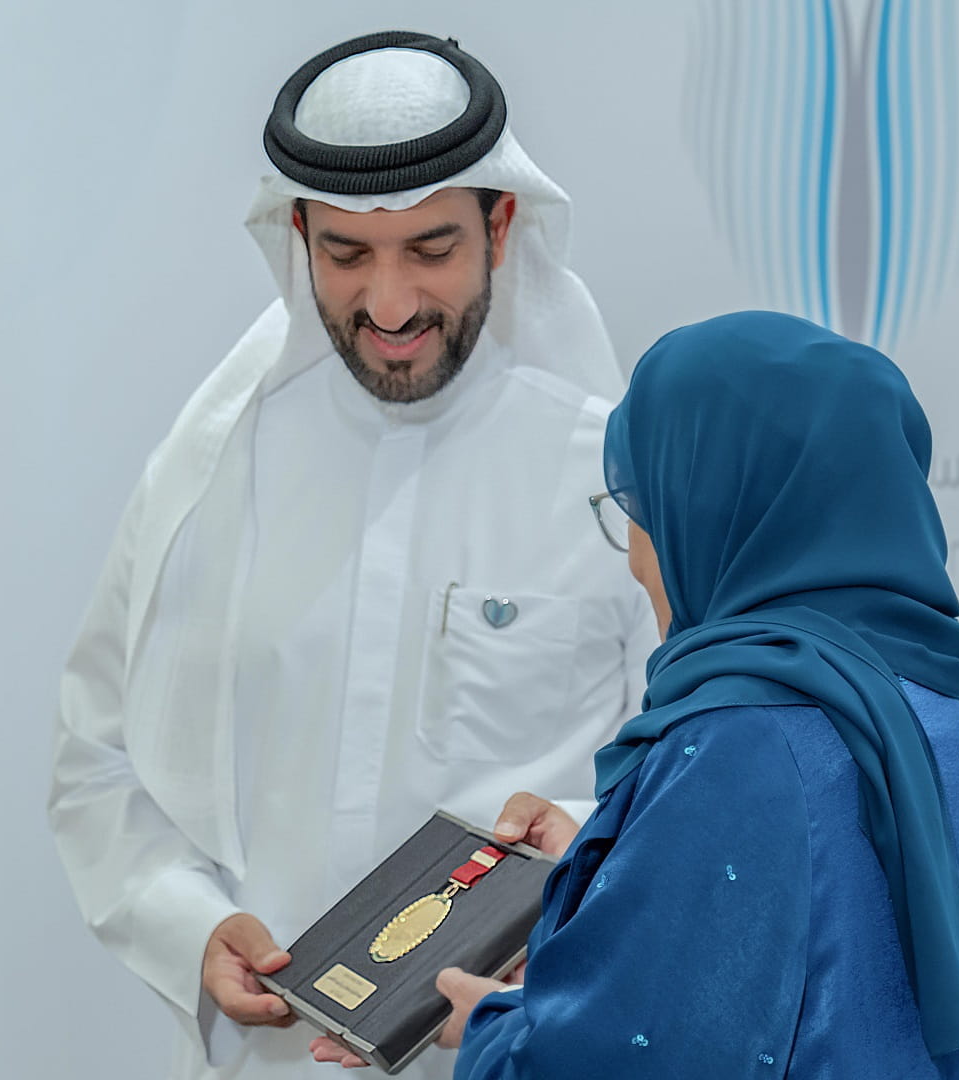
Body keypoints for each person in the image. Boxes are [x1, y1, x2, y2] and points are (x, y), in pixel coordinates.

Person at [47, 32, 656, 1080]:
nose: (390, 305)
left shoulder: (611, 478)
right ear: (297, 234)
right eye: (346, 254)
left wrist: (581, 851)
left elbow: (695, 781)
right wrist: (191, 927)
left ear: (501, 224)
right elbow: (97, 757)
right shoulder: (213, 472)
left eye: (430, 249)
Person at [400, 312, 959, 1077]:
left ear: (713, 516)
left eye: (642, 509)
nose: (636, 557)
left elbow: (630, 1058)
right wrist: (620, 864)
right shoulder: (935, 713)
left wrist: (492, 1023)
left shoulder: (739, 735)